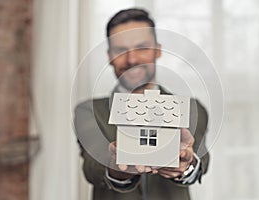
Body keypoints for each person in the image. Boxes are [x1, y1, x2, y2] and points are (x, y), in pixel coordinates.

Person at [74, 8, 209, 200]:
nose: (132, 59)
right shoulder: (89, 111)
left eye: (142, 48)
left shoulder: (191, 109)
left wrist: (186, 166)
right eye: (121, 50)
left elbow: (201, 159)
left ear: (157, 50)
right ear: (109, 56)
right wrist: (117, 168)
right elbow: (92, 168)